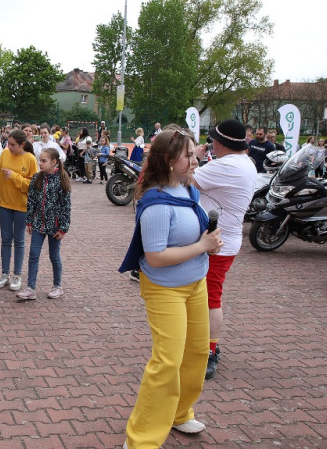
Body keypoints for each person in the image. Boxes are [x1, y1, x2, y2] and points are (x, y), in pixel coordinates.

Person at [118, 125, 224, 449]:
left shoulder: (186, 189)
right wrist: (203, 246)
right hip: (165, 289)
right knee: (167, 361)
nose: (196, 159)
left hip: (195, 284)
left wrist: (208, 244)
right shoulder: (156, 203)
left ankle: (179, 413)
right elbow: (157, 256)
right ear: (167, 160)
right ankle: (141, 440)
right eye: (188, 155)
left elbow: (193, 237)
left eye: (194, 153)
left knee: (195, 354)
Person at [191, 119, 257, 380]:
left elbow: (182, 179)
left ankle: (209, 350)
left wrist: (193, 158)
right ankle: (202, 344)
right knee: (205, 294)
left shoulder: (226, 165)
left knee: (210, 298)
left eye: (212, 142)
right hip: (223, 240)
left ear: (219, 143)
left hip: (216, 244)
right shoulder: (245, 163)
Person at [16, 148, 71, 301]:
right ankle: (30, 288)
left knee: (54, 256)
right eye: (39, 160)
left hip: (55, 226)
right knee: (33, 254)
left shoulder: (62, 179)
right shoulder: (36, 178)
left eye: (43, 160)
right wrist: (29, 220)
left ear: (54, 162)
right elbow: (32, 201)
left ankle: (57, 286)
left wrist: (63, 228)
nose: (40, 163)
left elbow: (66, 206)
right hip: (38, 224)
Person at [0, 129, 39, 291]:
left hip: (21, 205)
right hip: (4, 203)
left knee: (19, 241)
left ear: (22, 145)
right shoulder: (5, 154)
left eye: (13, 145)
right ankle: (5, 274)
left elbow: (34, 186)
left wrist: (14, 176)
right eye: (8, 143)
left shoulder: (30, 159)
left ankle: (17, 275)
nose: (9, 147)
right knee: (6, 239)